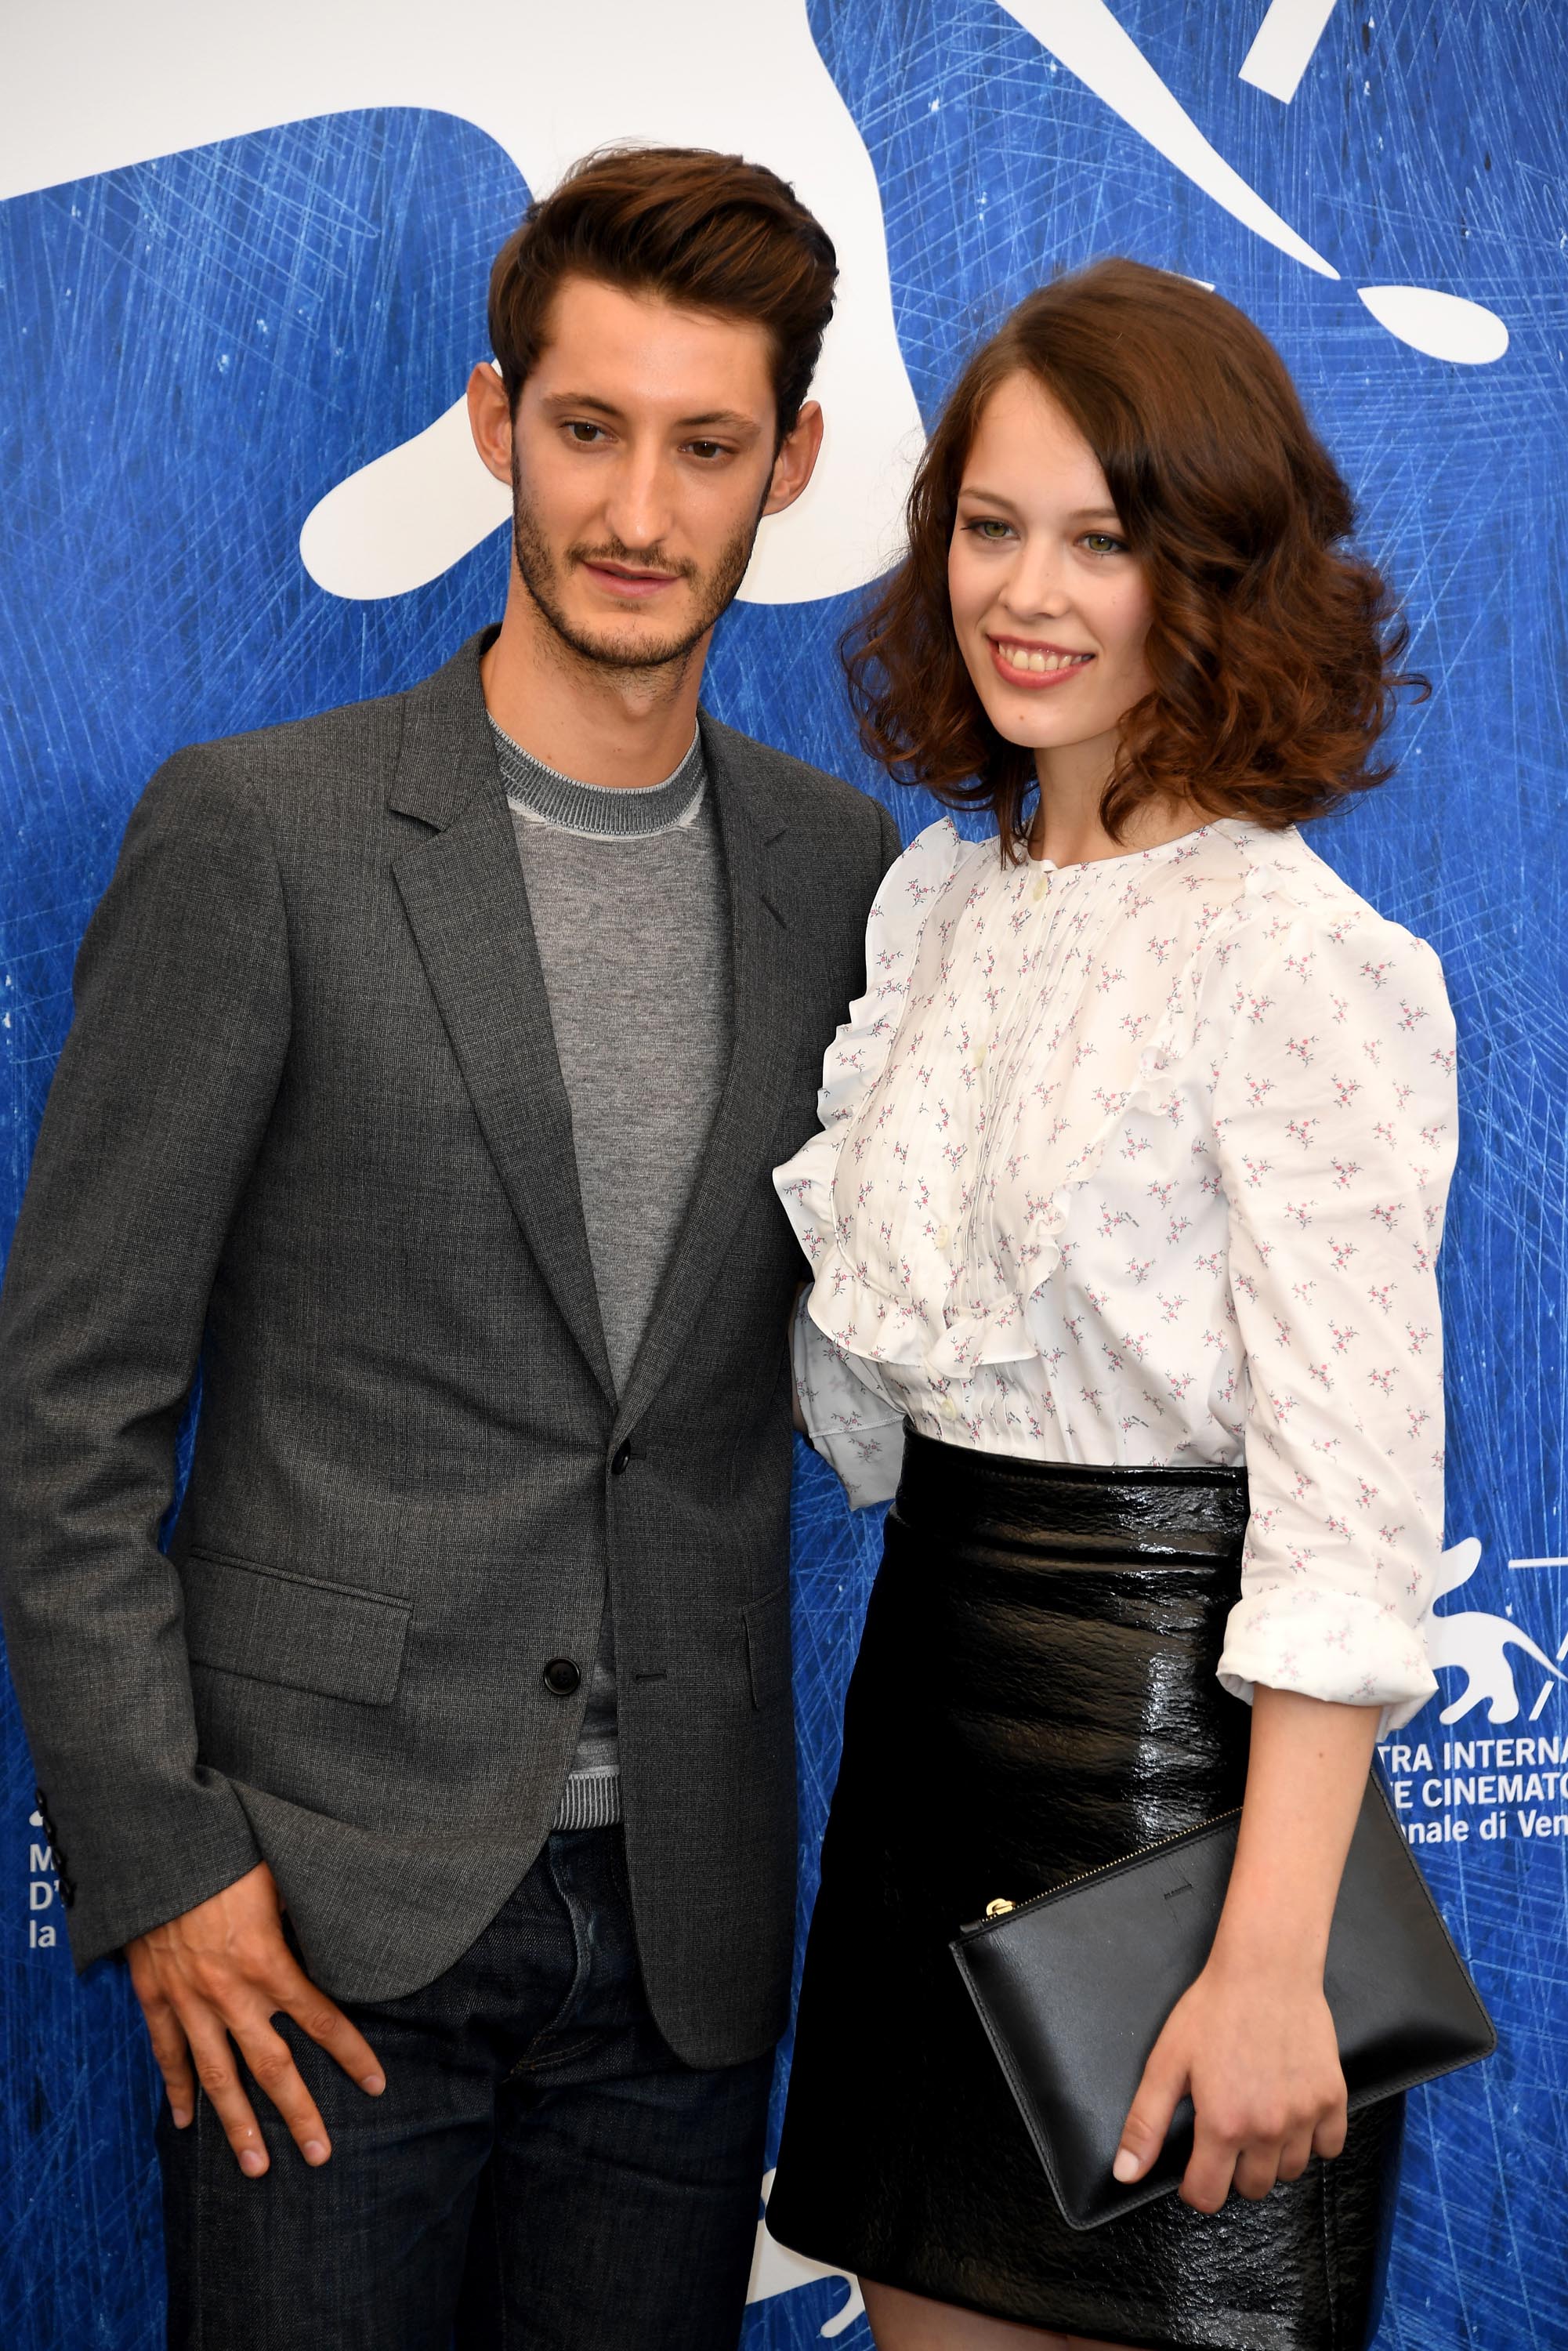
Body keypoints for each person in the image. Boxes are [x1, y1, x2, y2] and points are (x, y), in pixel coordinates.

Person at [0, 145, 900, 2350]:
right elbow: (66, 1404)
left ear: (786, 467)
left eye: (703, 447)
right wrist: (170, 1867)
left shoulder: (843, 874)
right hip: (310, 1925)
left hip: (684, 1941)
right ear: (497, 424)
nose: (634, 507)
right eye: (587, 429)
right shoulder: (264, 834)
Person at [766, 259, 1456, 2351]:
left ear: (1215, 577)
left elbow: (1343, 1519)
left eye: (1105, 540)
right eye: (990, 527)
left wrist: (1267, 1959)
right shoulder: (930, 900)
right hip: (919, 1768)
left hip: (1181, 1807)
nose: (1029, 592)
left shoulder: (1298, 954)